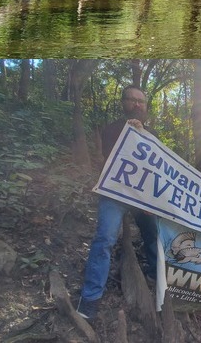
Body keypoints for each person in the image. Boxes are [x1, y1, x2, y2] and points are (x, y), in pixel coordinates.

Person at [76, 85, 158, 321]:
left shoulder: (152, 134)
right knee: (104, 239)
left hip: (141, 197)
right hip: (114, 194)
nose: (136, 104)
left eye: (141, 101)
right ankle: (90, 298)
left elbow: (156, 166)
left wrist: (143, 134)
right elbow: (110, 156)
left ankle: (155, 276)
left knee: (153, 234)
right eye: (132, 100)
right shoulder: (111, 130)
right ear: (123, 103)